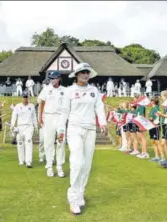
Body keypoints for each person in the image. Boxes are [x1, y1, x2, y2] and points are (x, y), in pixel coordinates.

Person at [59, 62, 107, 215]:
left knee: (86, 165)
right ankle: (72, 197)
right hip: (74, 128)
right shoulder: (69, 91)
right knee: (77, 162)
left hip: (90, 129)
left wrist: (103, 123)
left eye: (87, 72)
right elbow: (64, 112)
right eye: (82, 72)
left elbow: (99, 108)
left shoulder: (94, 90)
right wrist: (61, 129)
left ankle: (80, 194)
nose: (85, 75)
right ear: (76, 75)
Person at [38, 71, 66, 178]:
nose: (52, 80)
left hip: (60, 118)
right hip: (48, 117)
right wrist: (40, 118)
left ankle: (59, 166)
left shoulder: (64, 90)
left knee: (61, 141)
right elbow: (41, 103)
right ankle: (49, 166)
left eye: (54, 78)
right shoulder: (46, 89)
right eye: (50, 78)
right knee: (48, 142)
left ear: (59, 78)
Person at [10, 91, 38, 168]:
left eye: (26, 97)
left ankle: (28, 162)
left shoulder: (31, 106)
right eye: (24, 97)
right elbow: (14, 116)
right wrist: (12, 126)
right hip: (20, 127)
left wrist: (36, 126)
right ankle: (21, 160)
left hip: (29, 126)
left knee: (28, 142)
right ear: (21, 98)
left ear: (28, 98)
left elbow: (34, 117)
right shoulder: (17, 106)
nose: (25, 99)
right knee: (20, 143)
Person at [148, 97, 166, 164]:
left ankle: (163, 158)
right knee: (153, 142)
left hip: (156, 127)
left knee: (158, 142)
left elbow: (152, 118)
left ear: (153, 101)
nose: (150, 102)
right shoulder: (152, 108)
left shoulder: (156, 108)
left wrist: (147, 119)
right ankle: (157, 157)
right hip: (151, 127)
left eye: (150, 100)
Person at [35, 98, 45, 163]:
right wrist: (38, 122)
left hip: (50, 123)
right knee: (42, 141)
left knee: (50, 141)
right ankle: (41, 156)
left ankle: (50, 157)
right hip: (42, 124)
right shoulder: (38, 106)